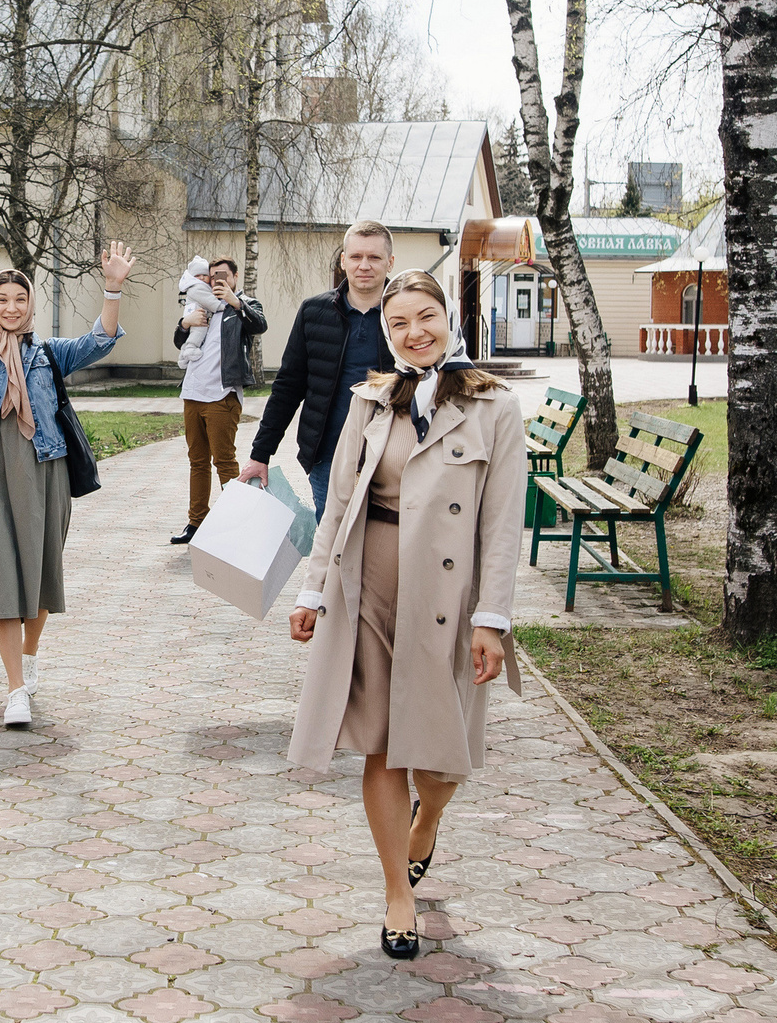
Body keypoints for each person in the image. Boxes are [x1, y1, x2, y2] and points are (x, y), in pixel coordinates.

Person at [285, 269, 524, 960]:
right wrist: (312, 589)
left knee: (443, 758)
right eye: (399, 324)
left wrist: (494, 618)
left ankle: (429, 822)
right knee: (382, 743)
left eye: (426, 318)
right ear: (386, 333)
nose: (415, 333)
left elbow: (503, 524)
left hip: (450, 598)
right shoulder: (371, 399)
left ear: (450, 319)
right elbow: (337, 506)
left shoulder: (495, 407)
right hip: (372, 586)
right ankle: (398, 894)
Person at [0, 244, 135, 729]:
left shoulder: (49, 354)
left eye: (20, 299)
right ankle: (15, 688)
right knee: (0, 570)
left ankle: (30, 658)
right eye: (2, 299)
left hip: (44, 468)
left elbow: (101, 340)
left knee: (37, 571)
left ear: (30, 304)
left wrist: (113, 287)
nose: (11, 308)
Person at [243, 219, 394, 519]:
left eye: (374, 257)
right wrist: (260, 453)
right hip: (328, 458)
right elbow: (288, 387)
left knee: (384, 551)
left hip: (392, 457)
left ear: (390, 263)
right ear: (343, 261)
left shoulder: (406, 313)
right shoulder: (314, 312)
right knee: (333, 552)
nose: (364, 265)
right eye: (356, 256)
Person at [169, 257, 266, 545]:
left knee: (224, 461)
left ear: (235, 277)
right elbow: (180, 341)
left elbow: (259, 325)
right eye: (211, 276)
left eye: (222, 275)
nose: (216, 281)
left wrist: (236, 302)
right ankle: (196, 522)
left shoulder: (244, 304)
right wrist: (186, 322)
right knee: (197, 461)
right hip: (192, 393)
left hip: (222, 394)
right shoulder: (201, 301)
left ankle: (237, 525)